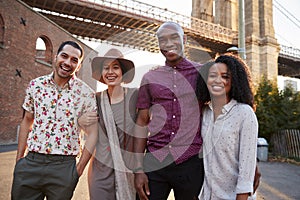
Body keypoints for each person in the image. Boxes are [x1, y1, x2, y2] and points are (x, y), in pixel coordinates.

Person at [11, 41, 98, 200]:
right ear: (55, 57)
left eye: (74, 60)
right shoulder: (35, 86)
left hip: (64, 167)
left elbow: (93, 134)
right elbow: (26, 120)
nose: (67, 63)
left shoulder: (87, 94)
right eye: (64, 56)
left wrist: (78, 170)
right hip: (31, 162)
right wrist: (19, 161)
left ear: (78, 66)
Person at [133, 21, 204, 200]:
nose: (168, 43)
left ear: (184, 39)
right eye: (162, 40)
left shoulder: (203, 73)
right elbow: (142, 122)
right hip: (155, 162)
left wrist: (248, 163)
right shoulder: (150, 77)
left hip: (191, 162)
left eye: (174, 37)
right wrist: (138, 169)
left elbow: (225, 112)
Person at [196, 55, 258, 199]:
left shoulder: (244, 113)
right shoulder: (205, 112)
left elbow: (246, 172)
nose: (218, 80)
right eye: (212, 76)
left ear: (234, 81)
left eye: (225, 76)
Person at [78, 48, 137, 200]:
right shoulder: (94, 99)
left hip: (128, 170)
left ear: (123, 71)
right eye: (106, 68)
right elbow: (82, 127)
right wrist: (80, 121)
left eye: (115, 67)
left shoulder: (135, 96)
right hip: (100, 171)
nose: (110, 72)